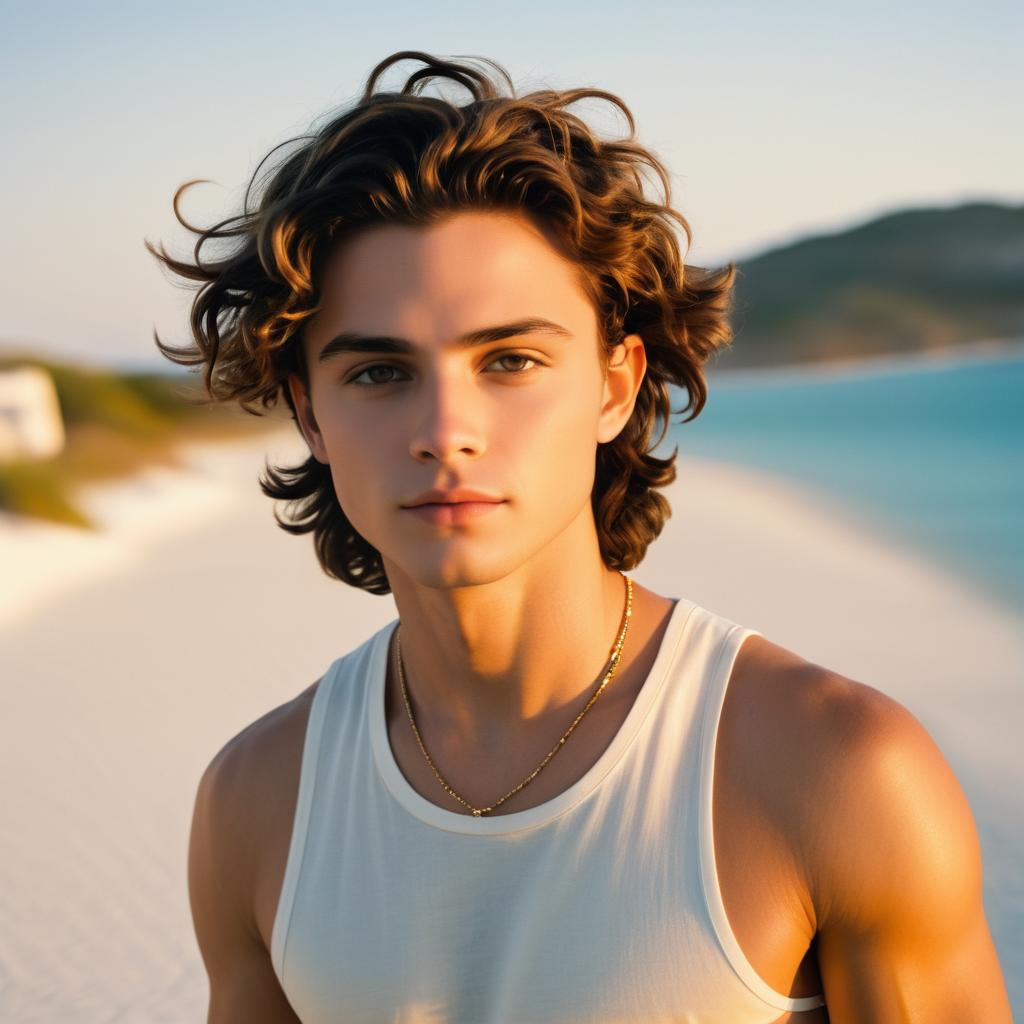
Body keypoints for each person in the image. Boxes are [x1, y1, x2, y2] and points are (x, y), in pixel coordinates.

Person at [148, 51, 1013, 1023]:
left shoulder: (835, 770)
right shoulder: (257, 803)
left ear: (614, 384)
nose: (445, 427)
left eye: (509, 359)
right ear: (309, 414)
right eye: (380, 373)